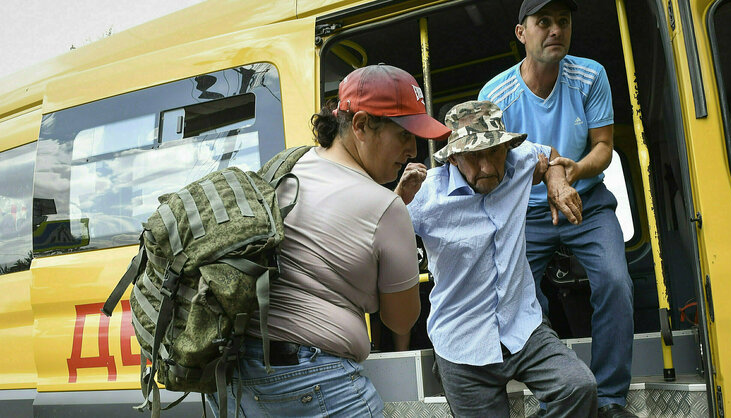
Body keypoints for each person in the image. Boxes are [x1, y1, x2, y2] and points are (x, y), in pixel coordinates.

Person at [209, 64, 451, 417]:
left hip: (237, 377)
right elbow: (401, 320)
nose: (413, 149)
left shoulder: (289, 167)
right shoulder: (386, 207)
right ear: (361, 125)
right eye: (403, 135)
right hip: (318, 381)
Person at [478, 1, 635, 416]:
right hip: (524, 212)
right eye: (542, 22)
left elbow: (604, 145)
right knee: (518, 300)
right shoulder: (495, 95)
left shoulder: (590, 76)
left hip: (588, 201)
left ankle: (610, 399)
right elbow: (492, 169)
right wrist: (549, 175)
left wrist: (574, 169)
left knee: (617, 282)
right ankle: (556, 391)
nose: (554, 30)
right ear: (521, 33)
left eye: (562, 21)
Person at [397, 100, 596, 418]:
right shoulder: (424, 195)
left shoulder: (519, 160)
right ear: (453, 157)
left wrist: (556, 182)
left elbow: (551, 157)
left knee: (578, 387)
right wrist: (397, 200)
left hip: (525, 327)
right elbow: (376, 245)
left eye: (494, 151)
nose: (488, 167)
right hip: (461, 342)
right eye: (474, 156)